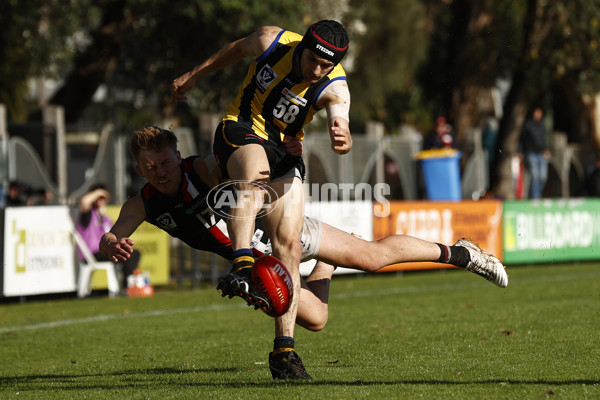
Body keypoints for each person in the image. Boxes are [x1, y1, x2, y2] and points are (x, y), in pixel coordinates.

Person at [99, 126, 508, 379]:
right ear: (140, 169)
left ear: (177, 155)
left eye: (165, 161)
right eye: (150, 166)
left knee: (371, 258)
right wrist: (109, 243)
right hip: (262, 265)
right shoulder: (142, 203)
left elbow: (248, 163)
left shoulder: (201, 169)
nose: (161, 171)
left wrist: (281, 151)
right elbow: (109, 238)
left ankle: (461, 253)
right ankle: (324, 265)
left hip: (282, 233)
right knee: (318, 318)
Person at [171, 21, 352, 379]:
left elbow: (338, 112)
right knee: (255, 179)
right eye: (313, 60)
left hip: (284, 152)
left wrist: (342, 132)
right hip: (240, 128)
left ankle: (284, 353)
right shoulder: (272, 41)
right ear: (303, 46)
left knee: (290, 245)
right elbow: (235, 50)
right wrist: (194, 75)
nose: (317, 71)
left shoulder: (335, 86)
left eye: (325, 66)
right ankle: (241, 266)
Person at [76, 184, 141, 292]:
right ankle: (127, 288)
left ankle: (127, 285)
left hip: (105, 250)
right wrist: (100, 192)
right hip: (92, 253)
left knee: (132, 253)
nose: (100, 201)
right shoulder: (88, 215)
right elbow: (84, 202)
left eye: (103, 198)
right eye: (98, 198)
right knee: (126, 254)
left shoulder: (106, 219)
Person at [519, 107, 551, 199]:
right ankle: (535, 197)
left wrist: (546, 149)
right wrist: (520, 151)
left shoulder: (542, 125)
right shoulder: (528, 125)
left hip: (541, 154)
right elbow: (522, 139)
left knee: (543, 177)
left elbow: (544, 140)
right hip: (531, 153)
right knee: (535, 176)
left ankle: (538, 194)